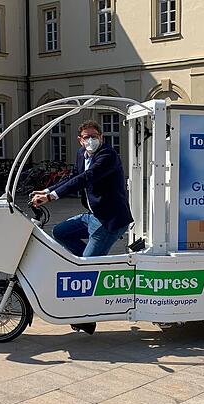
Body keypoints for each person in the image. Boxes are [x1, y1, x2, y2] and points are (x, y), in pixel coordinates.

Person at [30, 120, 133, 335]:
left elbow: (87, 178)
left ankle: (88, 317)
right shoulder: (81, 154)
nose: (91, 140)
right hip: (92, 215)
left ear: (101, 137)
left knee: (85, 269)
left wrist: (50, 197)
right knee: (60, 233)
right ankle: (90, 261)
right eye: (86, 137)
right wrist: (47, 188)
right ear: (80, 139)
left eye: (94, 136)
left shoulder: (107, 155)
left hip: (109, 220)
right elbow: (72, 176)